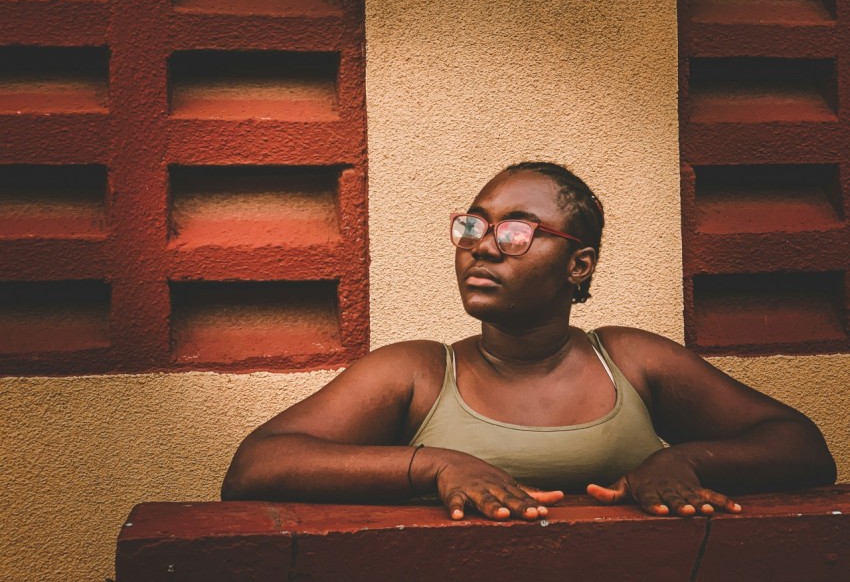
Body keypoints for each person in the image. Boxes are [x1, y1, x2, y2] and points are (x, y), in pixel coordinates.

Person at [222, 161, 836, 521]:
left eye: (516, 231)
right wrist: (435, 466)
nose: (483, 245)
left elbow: (802, 446)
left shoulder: (630, 360)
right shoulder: (417, 372)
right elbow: (256, 467)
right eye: (474, 225)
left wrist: (680, 461)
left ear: (579, 266)